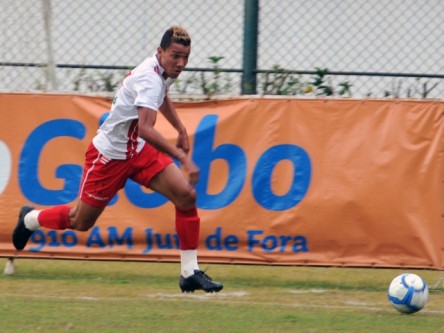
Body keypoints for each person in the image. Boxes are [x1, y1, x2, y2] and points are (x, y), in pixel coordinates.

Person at [12, 25, 223, 293]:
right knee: (81, 221)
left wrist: (180, 128)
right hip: (109, 157)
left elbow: (162, 95)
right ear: (160, 52)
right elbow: (146, 127)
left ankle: (189, 272)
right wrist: (183, 157)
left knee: (186, 196)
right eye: (175, 56)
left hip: (138, 151)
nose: (181, 63)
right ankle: (31, 218)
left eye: (185, 57)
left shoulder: (163, 70)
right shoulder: (148, 78)